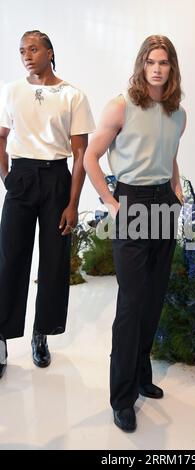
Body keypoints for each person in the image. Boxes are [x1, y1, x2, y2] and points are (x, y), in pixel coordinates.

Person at [84, 35, 186, 432]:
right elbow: (92, 156)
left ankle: (143, 375)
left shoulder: (178, 113)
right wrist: (111, 200)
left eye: (164, 63)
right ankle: (122, 395)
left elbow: (171, 154)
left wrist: (176, 190)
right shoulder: (121, 106)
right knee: (131, 302)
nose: (158, 69)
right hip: (132, 203)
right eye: (151, 62)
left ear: (172, 68)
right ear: (141, 65)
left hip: (163, 204)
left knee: (154, 297)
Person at [0, 30, 95, 379]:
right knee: (11, 258)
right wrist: (7, 177)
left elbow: (82, 152)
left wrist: (73, 203)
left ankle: (43, 333)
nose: (27, 55)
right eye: (22, 50)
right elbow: (1, 137)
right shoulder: (10, 90)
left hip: (57, 177)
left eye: (34, 48)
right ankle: (2, 337)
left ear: (50, 52)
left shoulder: (72, 95)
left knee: (54, 260)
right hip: (21, 176)